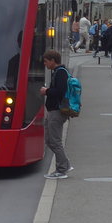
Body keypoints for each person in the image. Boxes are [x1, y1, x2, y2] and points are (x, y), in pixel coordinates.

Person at [39, 50, 73, 179]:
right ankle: (65, 164)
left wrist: (46, 91)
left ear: (53, 60)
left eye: (46, 61)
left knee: (55, 141)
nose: (45, 64)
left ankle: (61, 170)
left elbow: (60, 91)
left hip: (57, 111)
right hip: (53, 111)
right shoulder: (58, 72)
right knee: (49, 140)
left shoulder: (60, 73)